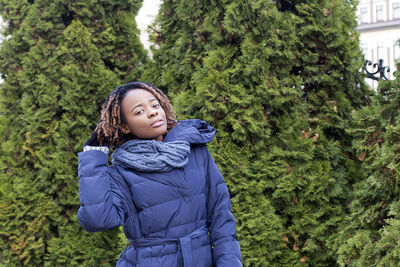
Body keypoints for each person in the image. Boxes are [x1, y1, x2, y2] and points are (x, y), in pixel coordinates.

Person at [77, 81, 242, 266]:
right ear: (125, 127)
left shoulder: (195, 151)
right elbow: (98, 219)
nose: (153, 112)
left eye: (155, 105)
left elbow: (221, 219)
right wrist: (94, 152)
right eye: (139, 111)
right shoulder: (120, 173)